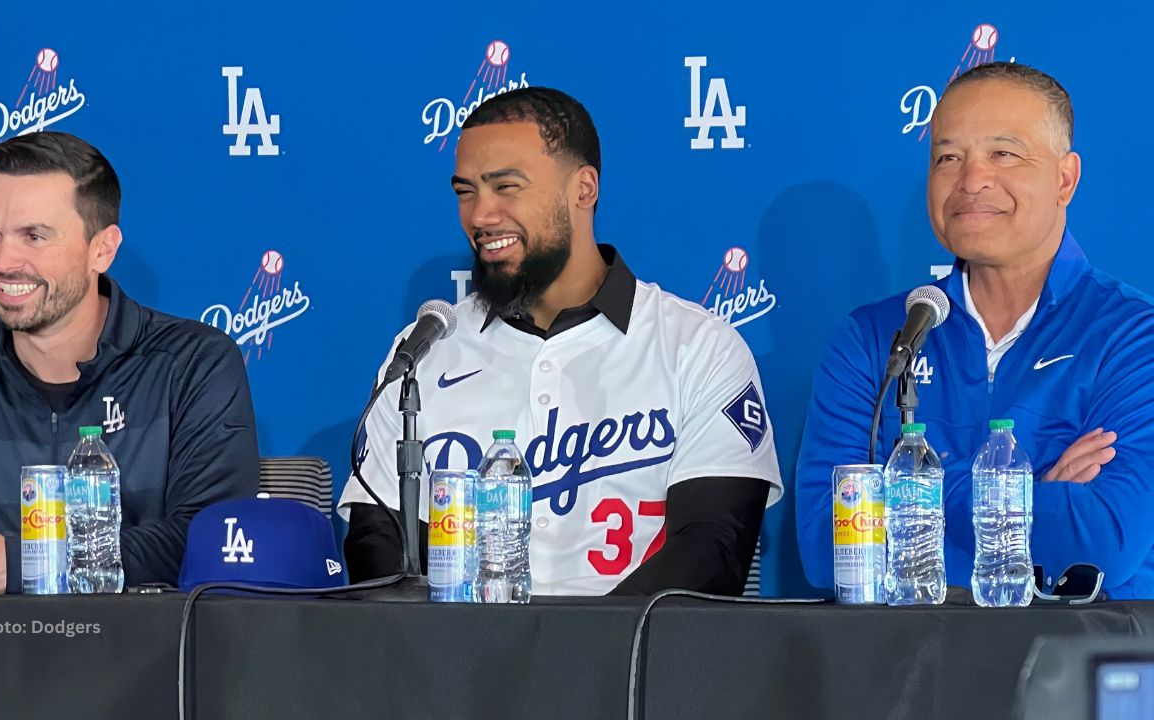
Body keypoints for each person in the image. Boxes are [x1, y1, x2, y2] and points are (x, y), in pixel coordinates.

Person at [340, 87, 782, 596]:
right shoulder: (423, 352)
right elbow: (376, 547)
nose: (480, 215)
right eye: (465, 191)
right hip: (459, 666)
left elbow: (713, 549)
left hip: (636, 665)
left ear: (584, 188)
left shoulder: (697, 347)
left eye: (505, 186)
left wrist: (571, 657)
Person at [796, 62, 1154, 599]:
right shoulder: (872, 340)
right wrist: (1027, 497)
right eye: (948, 157)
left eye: (1003, 154)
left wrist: (896, 496)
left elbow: (1102, 540)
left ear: (1065, 178)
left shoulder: (1133, 337)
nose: (971, 180)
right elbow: (832, 553)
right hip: (897, 671)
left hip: (1070, 669)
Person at [0, 131, 260, 594]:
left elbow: (212, 540)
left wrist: (21, 564)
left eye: (34, 236)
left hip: (147, 658)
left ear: (103, 249)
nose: (3, 260)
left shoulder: (192, 365)